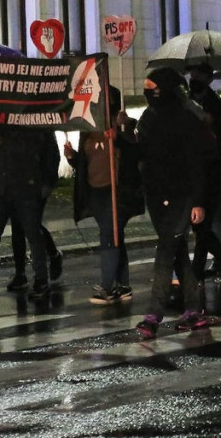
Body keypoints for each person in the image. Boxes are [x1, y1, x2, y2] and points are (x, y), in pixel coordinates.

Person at [134, 67, 215, 338]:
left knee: (166, 249)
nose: (149, 93)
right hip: (156, 195)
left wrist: (199, 201)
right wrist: (121, 136)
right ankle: (193, 309)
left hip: (182, 195)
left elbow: (197, 165)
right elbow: (142, 154)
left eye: (154, 88)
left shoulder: (187, 119)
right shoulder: (146, 118)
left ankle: (153, 314)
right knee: (177, 249)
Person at [0, 128, 60, 304]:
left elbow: (36, 148)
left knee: (31, 233)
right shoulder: (0, 117)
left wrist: (1, 140)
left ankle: (40, 281)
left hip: (25, 186)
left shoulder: (32, 121)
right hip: (2, 186)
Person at [64, 85, 143, 305]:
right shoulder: (87, 129)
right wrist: (72, 157)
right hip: (95, 191)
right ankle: (123, 284)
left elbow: (134, 153)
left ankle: (107, 286)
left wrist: (120, 134)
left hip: (116, 190)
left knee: (109, 236)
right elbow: (86, 161)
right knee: (115, 237)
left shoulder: (123, 126)